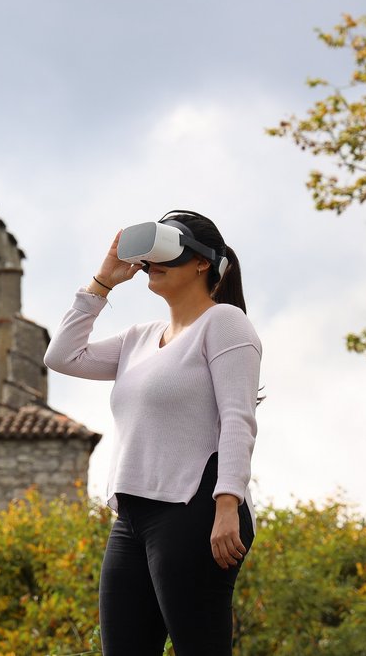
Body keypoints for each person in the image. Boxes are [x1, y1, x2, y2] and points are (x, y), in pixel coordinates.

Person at [43, 210, 261, 655]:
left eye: (169, 251)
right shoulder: (138, 338)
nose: (151, 264)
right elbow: (62, 356)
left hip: (194, 509)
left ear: (202, 262)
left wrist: (228, 506)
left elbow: (238, 419)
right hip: (132, 517)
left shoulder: (224, 324)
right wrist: (103, 280)